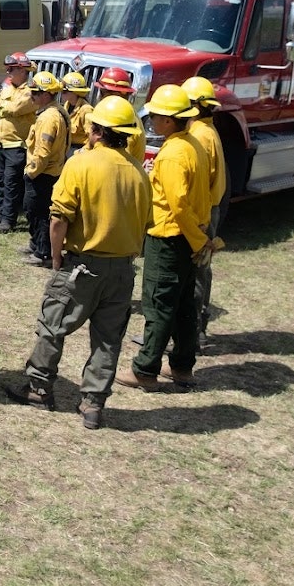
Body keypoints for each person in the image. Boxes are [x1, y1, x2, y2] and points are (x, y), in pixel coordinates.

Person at [5, 96, 152, 429]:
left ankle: (39, 389)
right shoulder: (139, 174)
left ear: (96, 130)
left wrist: (56, 257)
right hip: (122, 269)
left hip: (82, 265)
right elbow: (146, 222)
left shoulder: (81, 163)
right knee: (108, 338)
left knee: (52, 325)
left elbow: (58, 218)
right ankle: (93, 405)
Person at [117, 84, 210, 391]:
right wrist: (200, 239)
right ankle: (182, 367)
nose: (152, 122)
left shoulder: (171, 154)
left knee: (158, 306)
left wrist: (198, 241)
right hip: (186, 238)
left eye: (156, 116)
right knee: (183, 305)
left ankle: (145, 370)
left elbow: (178, 205)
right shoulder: (193, 144)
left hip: (169, 238)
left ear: (170, 120)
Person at [183, 75, 228, 341]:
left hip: (203, 211)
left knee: (197, 270)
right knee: (200, 268)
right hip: (208, 208)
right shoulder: (206, 130)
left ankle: (193, 329)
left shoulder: (199, 134)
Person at [22, 71, 69, 267]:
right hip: (50, 172)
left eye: (35, 92)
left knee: (37, 212)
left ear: (46, 94)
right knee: (35, 211)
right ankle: (36, 245)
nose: (31, 96)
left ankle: (43, 253)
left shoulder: (48, 118)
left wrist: (31, 172)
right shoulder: (55, 112)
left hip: (42, 174)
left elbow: (43, 151)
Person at [0, 53, 36, 232]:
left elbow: (16, 108)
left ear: (23, 70)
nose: (8, 71)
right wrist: (7, 109)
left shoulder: (31, 90)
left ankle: (9, 219)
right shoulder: (7, 88)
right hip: (0, 143)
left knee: (11, 183)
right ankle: (1, 213)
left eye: (12, 69)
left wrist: (6, 108)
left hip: (17, 145)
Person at [94, 67, 146, 166]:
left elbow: (120, 162)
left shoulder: (126, 123)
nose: (99, 97)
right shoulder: (123, 116)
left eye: (102, 92)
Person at [61, 72, 93, 154]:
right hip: (66, 147)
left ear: (74, 92)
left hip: (78, 149)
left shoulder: (86, 110)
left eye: (64, 91)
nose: (61, 93)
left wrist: (82, 152)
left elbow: (92, 136)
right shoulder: (67, 106)